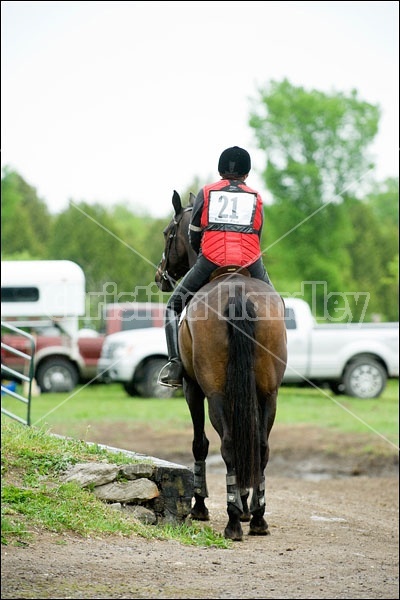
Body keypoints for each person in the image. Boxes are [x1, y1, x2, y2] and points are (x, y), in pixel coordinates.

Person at [159, 145, 273, 388]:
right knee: (275, 305)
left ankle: (174, 364)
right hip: (250, 259)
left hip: (212, 258)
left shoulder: (207, 192)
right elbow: (257, 233)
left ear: (221, 171)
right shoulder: (256, 197)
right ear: (246, 173)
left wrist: (204, 251)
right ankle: (275, 358)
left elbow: (194, 234)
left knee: (172, 306)